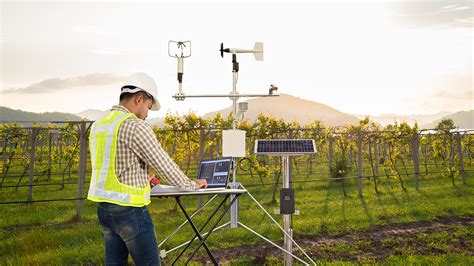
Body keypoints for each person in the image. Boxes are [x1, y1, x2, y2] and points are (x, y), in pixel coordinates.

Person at [87, 73, 207, 265]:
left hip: (105, 209)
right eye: (148, 107)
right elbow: (163, 164)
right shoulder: (135, 126)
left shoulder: (99, 125)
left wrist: (146, 179)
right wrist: (191, 184)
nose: (148, 113)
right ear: (139, 99)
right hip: (130, 211)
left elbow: (114, 163)